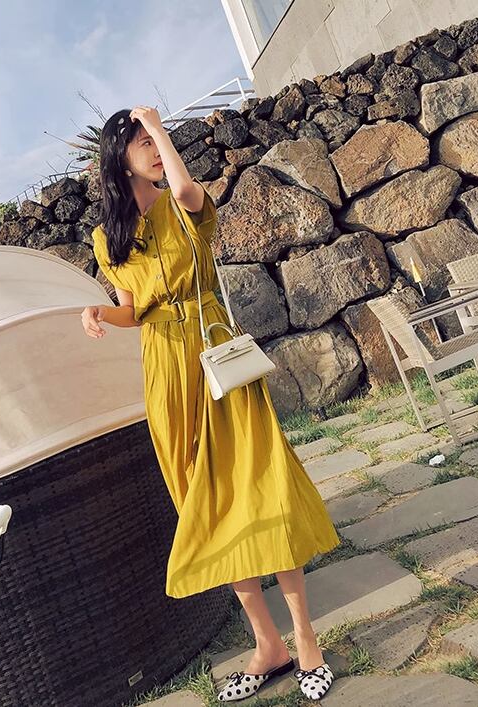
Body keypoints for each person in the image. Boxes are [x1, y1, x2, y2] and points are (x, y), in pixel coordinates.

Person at [81, 105, 340, 702]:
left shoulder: (184, 203)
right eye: (141, 143)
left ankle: (305, 640)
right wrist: (98, 313)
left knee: (261, 486)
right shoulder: (107, 236)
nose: (153, 149)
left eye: (156, 139)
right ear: (118, 159)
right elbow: (133, 309)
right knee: (206, 504)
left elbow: (185, 191)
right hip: (166, 372)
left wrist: (161, 130)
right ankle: (267, 643)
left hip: (217, 357)